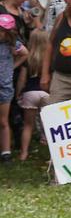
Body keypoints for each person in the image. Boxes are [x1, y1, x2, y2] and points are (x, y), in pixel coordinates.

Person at [16, 28, 48, 160]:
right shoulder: (50, 60)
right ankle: (51, 152)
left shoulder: (28, 59)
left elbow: (22, 80)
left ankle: (23, 153)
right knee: (49, 125)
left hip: (30, 93)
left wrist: (18, 93)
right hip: (46, 93)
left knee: (28, 126)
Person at [0, 13, 27, 161]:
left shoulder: (12, 44)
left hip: (4, 86)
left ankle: (6, 152)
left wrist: (11, 67)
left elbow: (25, 54)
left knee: (3, 121)